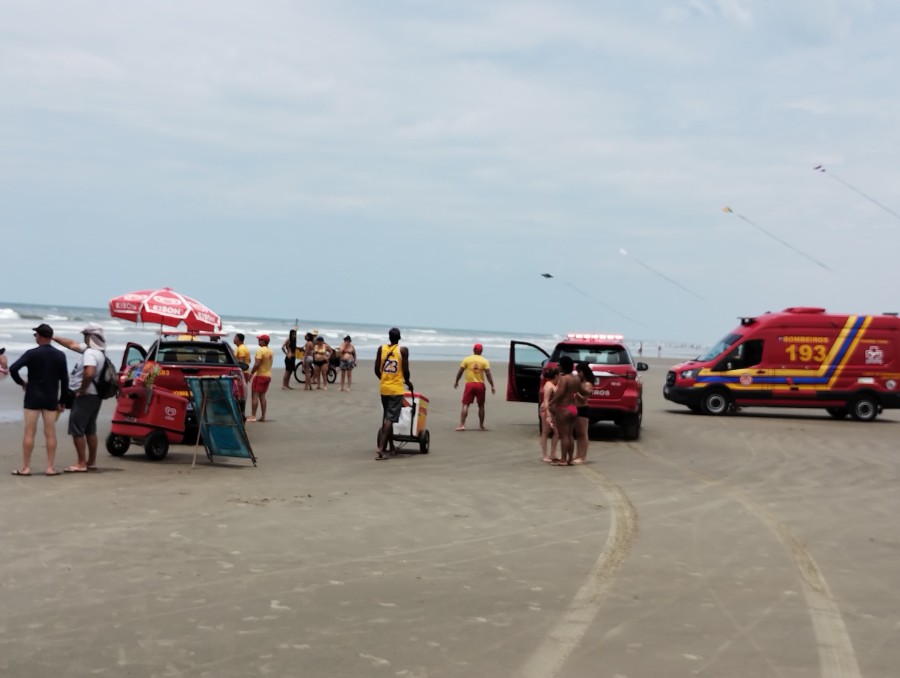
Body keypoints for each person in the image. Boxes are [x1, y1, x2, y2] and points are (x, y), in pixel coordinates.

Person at [9, 324, 69, 476]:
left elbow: (13, 369)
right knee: (50, 433)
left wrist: (22, 383)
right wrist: (62, 401)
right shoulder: (60, 355)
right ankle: (50, 468)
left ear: (40, 336)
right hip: (50, 398)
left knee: (29, 433)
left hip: (33, 397)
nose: (35, 337)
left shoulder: (31, 354)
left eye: (35, 335)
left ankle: (26, 468)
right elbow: (65, 380)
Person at [52, 323, 108, 473]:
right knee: (90, 429)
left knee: (77, 429)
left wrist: (81, 390)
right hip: (95, 395)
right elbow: (71, 344)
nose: (83, 338)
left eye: (85, 335)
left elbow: (89, 373)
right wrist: (54, 337)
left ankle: (81, 463)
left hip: (86, 395)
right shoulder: (100, 352)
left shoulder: (90, 354)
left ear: (90, 336)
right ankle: (91, 462)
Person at [374, 327, 412, 460]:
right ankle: (380, 449)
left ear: (389, 337)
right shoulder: (403, 350)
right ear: (399, 338)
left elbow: (376, 370)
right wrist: (408, 381)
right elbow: (406, 371)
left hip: (384, 388)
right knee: (390, 419)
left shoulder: (381, 348)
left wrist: (385, 380)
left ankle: (391, 447)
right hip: (396, 389)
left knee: (387, 417)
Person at [453, 343, 495, 431]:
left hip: (469, 384)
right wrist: (492, 385)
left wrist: (456, 381)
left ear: (473, 350)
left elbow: (460, 371)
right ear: (481, 351)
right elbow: (488, 374)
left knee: (465, 405)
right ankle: (481, 426)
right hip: (480, 385)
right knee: (481, 406)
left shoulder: (467, 359)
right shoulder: (484, 361)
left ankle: (462, 425)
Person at [548, 355, 579, 466]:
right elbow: (581, 391)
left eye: (559, 364)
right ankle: (570, 459)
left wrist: (551, 403)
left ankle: (563, 459)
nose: (558, 366)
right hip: (573, 408)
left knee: (564, 435)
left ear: (563, 366)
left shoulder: (564, 378)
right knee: (570, 435)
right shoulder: (576, 378)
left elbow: (560, 393)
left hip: (564, 408)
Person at [573, 361, 596, 464]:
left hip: (583, 409)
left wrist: (576, 391)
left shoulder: (588, 384)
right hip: (576, 408)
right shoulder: (580, 383)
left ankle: (583, 456)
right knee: (578, 434)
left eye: (579, 372)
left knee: (583, 433)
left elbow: (583, 399)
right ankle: (577, 455)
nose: (578, 374)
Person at [248, 334, 274, 422]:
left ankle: (253, 416)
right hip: (268, 375)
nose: (258, 341)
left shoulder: (260, 350)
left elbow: (257, 363)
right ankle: (263, 416)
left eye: (260, 340)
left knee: (254, 395)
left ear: (264, 341)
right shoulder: (271, 351)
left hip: (260, 375)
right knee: (262, 396)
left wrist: (251, 373)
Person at [539, 366, 560, 463]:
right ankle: (544, 455)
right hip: (546, 410)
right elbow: (546, 401)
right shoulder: (548, 385)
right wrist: (548, 415)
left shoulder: (553, 384)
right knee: (545, 432)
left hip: (553, 410)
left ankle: (553, 453)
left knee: (556, 432)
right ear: (556, 376)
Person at [233, 333, 251, 416]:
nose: (233, 339)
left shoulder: (242, 349)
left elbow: (241, 363)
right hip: (243, 373)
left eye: (235, 337)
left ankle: (241, 412)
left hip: (242, 374)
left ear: (239, 339)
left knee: (240, 394)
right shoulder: (240, 348)